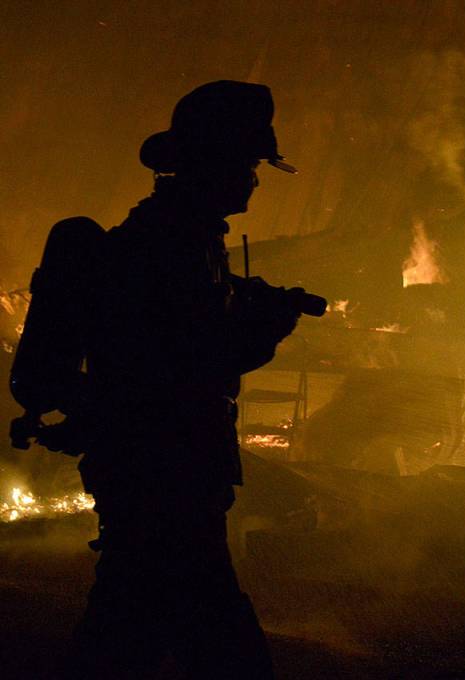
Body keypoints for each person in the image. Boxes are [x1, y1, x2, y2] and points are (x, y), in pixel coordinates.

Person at [63, 80, 301, 679]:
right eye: (249, 162)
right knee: (200, 624)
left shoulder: (174, 237)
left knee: (130, 619)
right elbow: (191, 356)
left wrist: (244, 298)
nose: (253, 177)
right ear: (215, 162)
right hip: (164, 463)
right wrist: (268, 326)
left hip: (153, 461)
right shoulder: (172, 243)